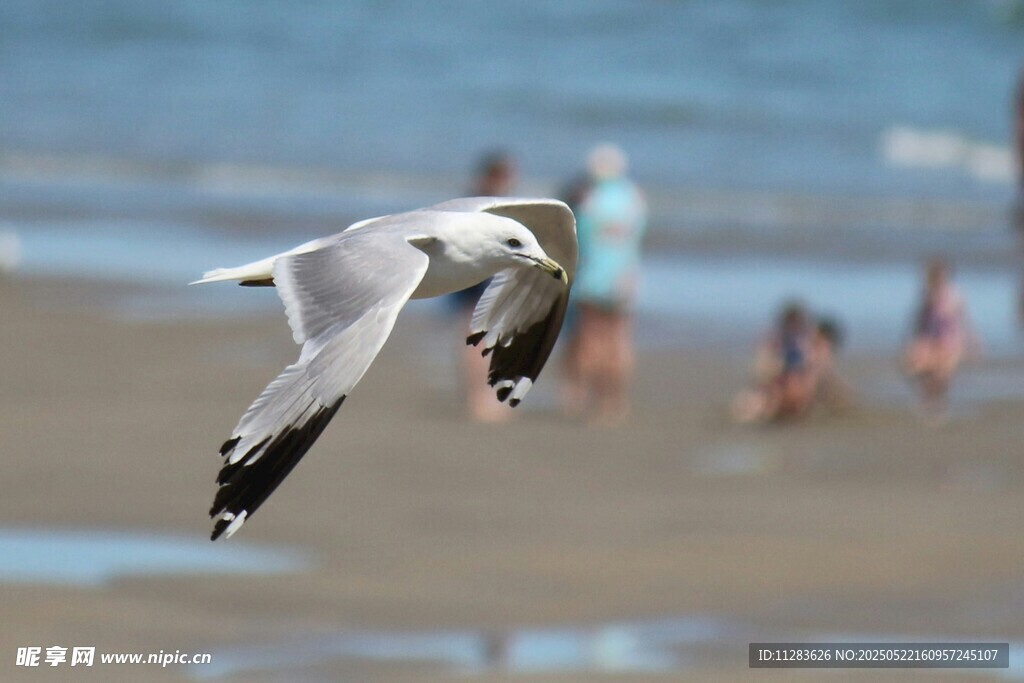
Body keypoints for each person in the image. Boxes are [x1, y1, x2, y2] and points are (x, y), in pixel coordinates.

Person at [562, 144, 647, 425]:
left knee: (591, 339)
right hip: (624, 279)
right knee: (620, 340)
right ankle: (616, 400)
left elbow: (580, 241)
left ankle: (589, 397)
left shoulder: (590, 199)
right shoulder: (635, 198)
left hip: (593, 279)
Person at [453, 151, 517, 421]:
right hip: (478, 276)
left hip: (480, 275)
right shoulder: (485, 203)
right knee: (477, 337)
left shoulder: (475, 200)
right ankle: (478, 398)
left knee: (484, 337)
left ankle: (481, 396)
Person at [903, 259, 975, 418]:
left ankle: (937, 403)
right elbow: (919, 319)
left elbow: (964, 320)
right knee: (916, 368)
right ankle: (928, 398)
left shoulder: (955, 295)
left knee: (942, 374)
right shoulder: (927, 294)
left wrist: (972, 342)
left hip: (949, 340)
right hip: (928, 338)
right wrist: (914, 339)